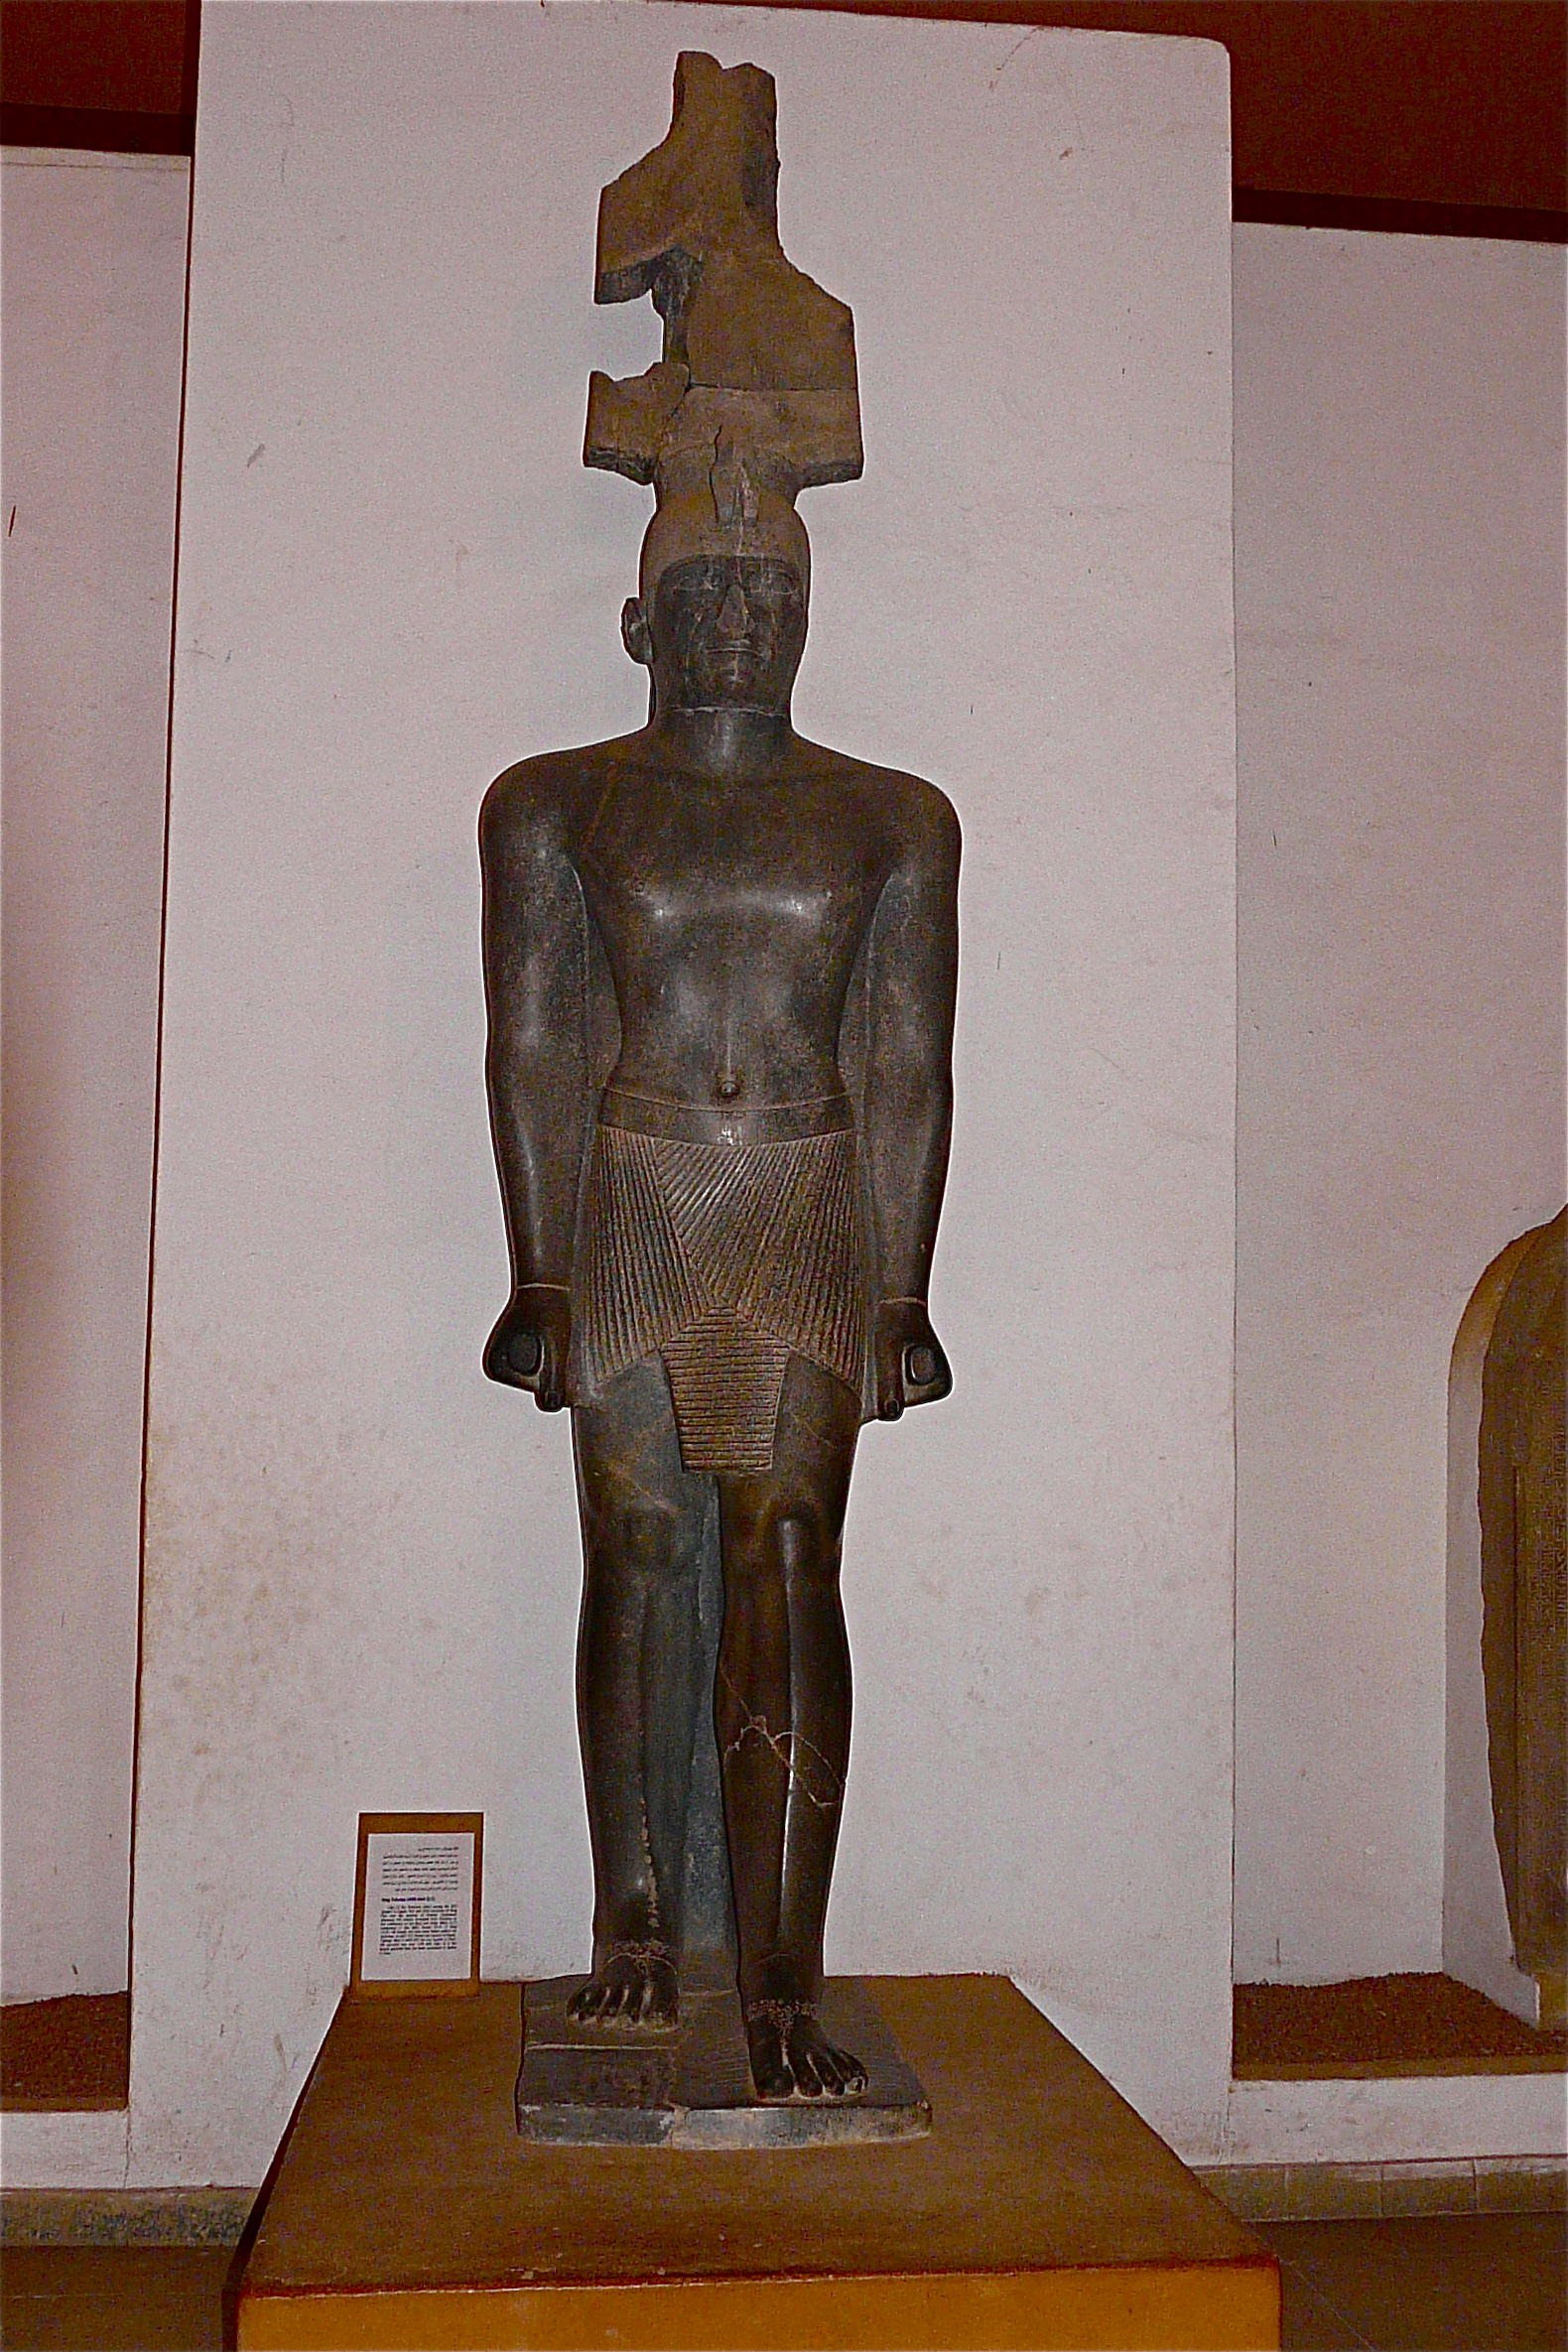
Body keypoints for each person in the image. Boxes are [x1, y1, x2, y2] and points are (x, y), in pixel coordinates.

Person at [481, 501, 959, 2100]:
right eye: (707, 595)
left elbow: (908, 1061)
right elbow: (536, 1040)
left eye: (770, 596)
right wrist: (543, 1268)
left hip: (807, 1200)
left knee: (793, 1550)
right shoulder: (560, 805)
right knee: (640, 1544)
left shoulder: (893, 818)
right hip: (636, 1188)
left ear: (809, 618)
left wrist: (902, 1288)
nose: (742, 622)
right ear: (644, 625)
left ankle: (780, 1974)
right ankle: (636, 1917)